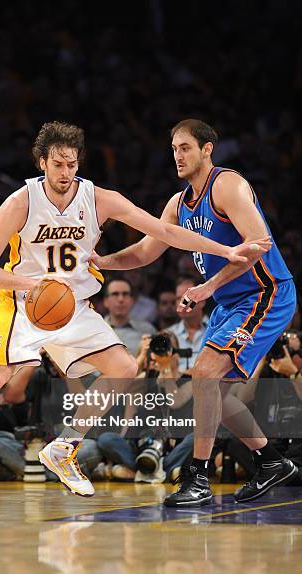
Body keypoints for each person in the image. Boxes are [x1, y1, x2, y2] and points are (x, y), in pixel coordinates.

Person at [0, 121, 268, 501]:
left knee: (125, 368)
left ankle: (64, 447)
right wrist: (32, 285)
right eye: (58, 165)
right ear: (42, 163)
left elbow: (164, 232)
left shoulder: (100, 198)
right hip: (23, 304)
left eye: (71, 164)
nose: (66, 173)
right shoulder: (20, 203)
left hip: (71, 306)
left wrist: (225, 251)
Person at [92, 118, 297, 506]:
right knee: (218, 395)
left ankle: (197, 478)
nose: (177, 155)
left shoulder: (228, 185)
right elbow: (143, 252)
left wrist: (208, 286)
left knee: (203, 373)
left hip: (265, 293)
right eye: (173, 149)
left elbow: (259, 243)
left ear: (207, 149)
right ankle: (271, 462)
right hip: (229, 303)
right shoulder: (177, 204)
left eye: (185, 147)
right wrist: (101, 262)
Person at [103, 277, 156, 356]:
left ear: (132, 301)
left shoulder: (147, 330)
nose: (121, 299)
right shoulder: (95, 331)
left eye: (125, 294)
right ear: (106, 301)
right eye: (115, 294)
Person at [166, 276, 208, 370]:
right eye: (178, 298)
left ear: (202, 301)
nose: (181, 303)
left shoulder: (217, 331)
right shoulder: (167, 335)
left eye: (187, 298)